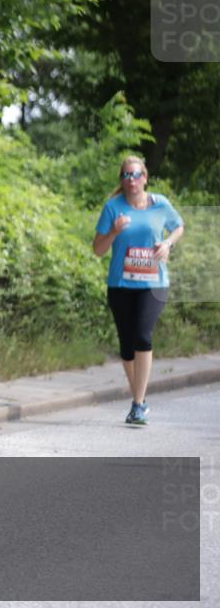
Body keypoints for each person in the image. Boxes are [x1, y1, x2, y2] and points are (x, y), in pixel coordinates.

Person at [92, 155, 184, 426]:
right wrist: (113, 232)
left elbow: (178, 227)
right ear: (122, 180)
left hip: (153, 284)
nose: (131, 180)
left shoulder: (160, 204)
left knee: (143, 336)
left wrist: (167, 244)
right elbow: (98, 250)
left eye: (135, 175)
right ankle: (140, 400)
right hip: (120, 284)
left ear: (145, 177)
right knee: (126, 347)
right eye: (126, 176)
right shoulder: (113, 208)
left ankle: (137, 405)